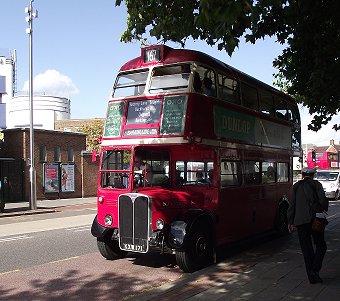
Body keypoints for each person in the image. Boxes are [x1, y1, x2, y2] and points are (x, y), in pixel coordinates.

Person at [287, 167, 328, 284]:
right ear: (313, 175)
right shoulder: (317, 185)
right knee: (321, 245)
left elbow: (292, 205)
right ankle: (315, 269)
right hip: (316, 220)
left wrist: (290, 221)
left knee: (306, 248)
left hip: (300, 222)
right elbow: (323, 201)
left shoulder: (296, 186)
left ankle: (311, 276)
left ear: (302, 175)